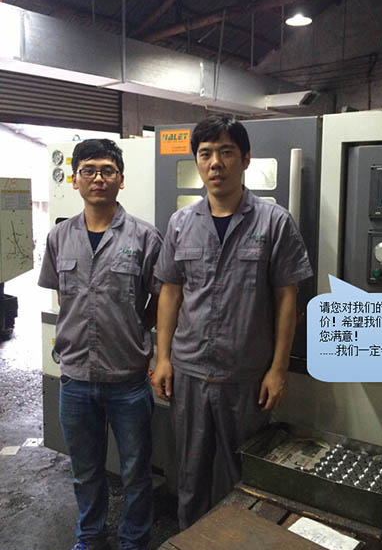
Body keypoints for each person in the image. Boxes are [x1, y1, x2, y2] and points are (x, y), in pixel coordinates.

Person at [152, 116, 312, 529]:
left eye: (226, 152)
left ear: (245, 159)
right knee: (189, 476)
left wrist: (278, 370)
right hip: (189, 372)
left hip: (246, 377)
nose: (215, 163)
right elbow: (170, 292)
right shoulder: (180, 223)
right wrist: (162, 358)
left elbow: (287, 300)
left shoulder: (275, 222)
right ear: (197, 161)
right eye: (205, 153)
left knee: (246, 477)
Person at [38, 139, 162, 550]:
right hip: (75, 377)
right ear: (74, 180)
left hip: (128, 378)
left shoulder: (145, 236)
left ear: (121, 180)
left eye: (107, 170)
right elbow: (64, 297)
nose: (98, 178)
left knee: (136, 471)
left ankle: (134, 540)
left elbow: (162, 297)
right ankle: (90, 536)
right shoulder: (59, 237)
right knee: (85, 470)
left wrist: (134, 327)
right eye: (88, 170)